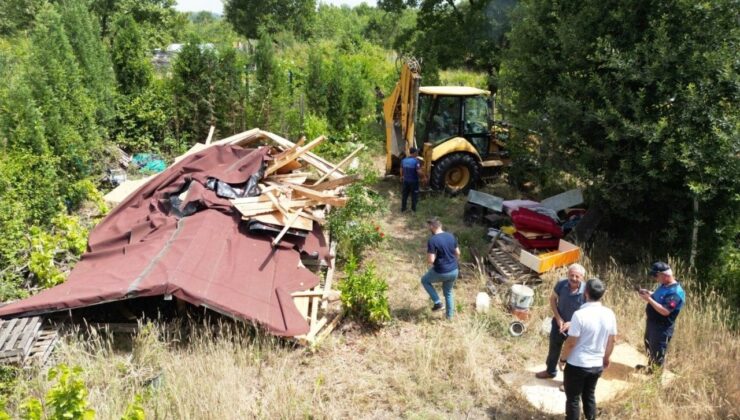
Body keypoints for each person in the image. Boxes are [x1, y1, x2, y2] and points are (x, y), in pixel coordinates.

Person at [559, 278, 617, 420]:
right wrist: (606, 358)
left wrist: (562, 359)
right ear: (602, 295)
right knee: (589, 396)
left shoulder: (579, 315)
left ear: (585, 293)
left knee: (573, 399)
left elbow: (571, 342)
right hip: (596, 365)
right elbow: (613, 339)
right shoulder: (610, 314)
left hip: (577, 364)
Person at [535, 263, 587, 380]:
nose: (573, 278)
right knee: (554, 348)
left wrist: (572, 324)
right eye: (571, 275)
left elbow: (588, 313)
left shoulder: (586, 291)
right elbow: (553, 299)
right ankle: (550, 371)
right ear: (568, 274)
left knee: (571, 354)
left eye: (577, 276)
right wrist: (558, 318)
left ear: (582, 277)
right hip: (558, 324)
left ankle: (567, 381)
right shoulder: (561, 284)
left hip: (575, 328)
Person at [637, 261, 685, 370]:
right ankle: (650, 368)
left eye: (656, 275)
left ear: (665, 275)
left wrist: (648, 299)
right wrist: (649, 293)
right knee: (649, 345)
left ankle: (656, 380)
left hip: (662, 327)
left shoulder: (676, 292)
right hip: (652, 323)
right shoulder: (664, 285)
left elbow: (665, 311)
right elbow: (659, 296)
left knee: (658, 351)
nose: (654, 278)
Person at [421, 217, 460, 319]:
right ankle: (449, 317)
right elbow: (458, 253)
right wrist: (452, 262)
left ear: (432, 227)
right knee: (448, 292)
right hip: (454, 270)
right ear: (440, 226)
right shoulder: (451, 236)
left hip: (441, 271)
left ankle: (438, 303)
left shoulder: (432, 240)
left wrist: (428, 258)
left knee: (425, 280)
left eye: (429, 227)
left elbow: (431, 260)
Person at [400, 147, 424, 212]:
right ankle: (413, 210)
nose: (417, 153)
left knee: (405, 195)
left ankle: (403, 209)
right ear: (414, 153)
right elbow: (419, 171)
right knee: (414, 195)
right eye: (416, 152)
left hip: (406, 181)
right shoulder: (416, 161)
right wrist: (423, 177)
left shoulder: (404, 160)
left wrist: (401, 176)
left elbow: (401, 169)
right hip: (414, 182)